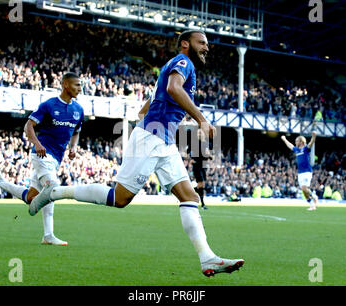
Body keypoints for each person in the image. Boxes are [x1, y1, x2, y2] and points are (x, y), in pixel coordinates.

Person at [29, 30, 244, 277]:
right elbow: (174, 89)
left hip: (161, 140)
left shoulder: (173, 66)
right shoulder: (183, 63)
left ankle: (208, 259)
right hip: (153, 138)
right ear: (186, 44)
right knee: (120, 198)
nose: (207, 47)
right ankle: (55, 192)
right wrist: (201, 120)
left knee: (190, 196)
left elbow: (147, 108)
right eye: (202, 43)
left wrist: (155, 124)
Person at [0, 72, 84, 246]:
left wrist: (73, 148)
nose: (80, 89)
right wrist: (36, 143)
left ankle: (0, 183)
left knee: (32, 198)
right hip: (42, 155)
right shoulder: (49, 105)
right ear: (65, 85)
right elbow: (28, 125)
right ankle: (48, 235)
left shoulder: (78, 110)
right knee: (52, 187)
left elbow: (76, 132)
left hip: (56, 158)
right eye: (76, 85)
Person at [281, 131, 318, 210]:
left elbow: (311, 143)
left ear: (301, 142)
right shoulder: (297, 150)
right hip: (300, 172)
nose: (295, 142)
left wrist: (314, 137)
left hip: (307, 171)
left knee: (304, 188)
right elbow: (290, 145)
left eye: (297, 141)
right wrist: (284, 140)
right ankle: (312, 204)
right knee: (303, 190)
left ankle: (314, 197)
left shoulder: (305, 149)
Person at [190, 129, 212, 209]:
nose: (199, 134)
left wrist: (210, 156)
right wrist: (191, 159)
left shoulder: (206, 144)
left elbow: (208, 154)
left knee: (202, 185)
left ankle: (190, 192)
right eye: (198, 133)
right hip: (197, 165)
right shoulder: (194, 143)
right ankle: (202, 204)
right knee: (201, 183)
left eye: (200, 133)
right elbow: (189, 152)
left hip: (203, 166)